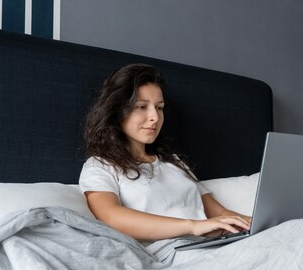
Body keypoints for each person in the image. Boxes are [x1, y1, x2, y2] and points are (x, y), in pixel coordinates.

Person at [79, 63, 251, 243]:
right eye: (142, 107)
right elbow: (111, 217)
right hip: (170, 252)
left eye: (159, 107)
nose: (155, 117)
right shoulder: (100, 165)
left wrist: (251, 223)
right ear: (117, 111)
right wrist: (193, 226)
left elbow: (220, 213)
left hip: (212, 244)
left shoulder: (174, 162)